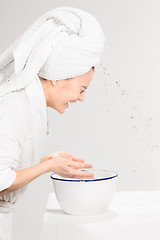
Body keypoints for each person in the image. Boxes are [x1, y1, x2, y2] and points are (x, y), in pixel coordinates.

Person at [0, 6, 105, 240]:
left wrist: (46, 161)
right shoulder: (15, 105)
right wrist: (49, 167)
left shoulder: (29, 104)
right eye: (82, 88)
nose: (82, 98)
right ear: (60, 77)